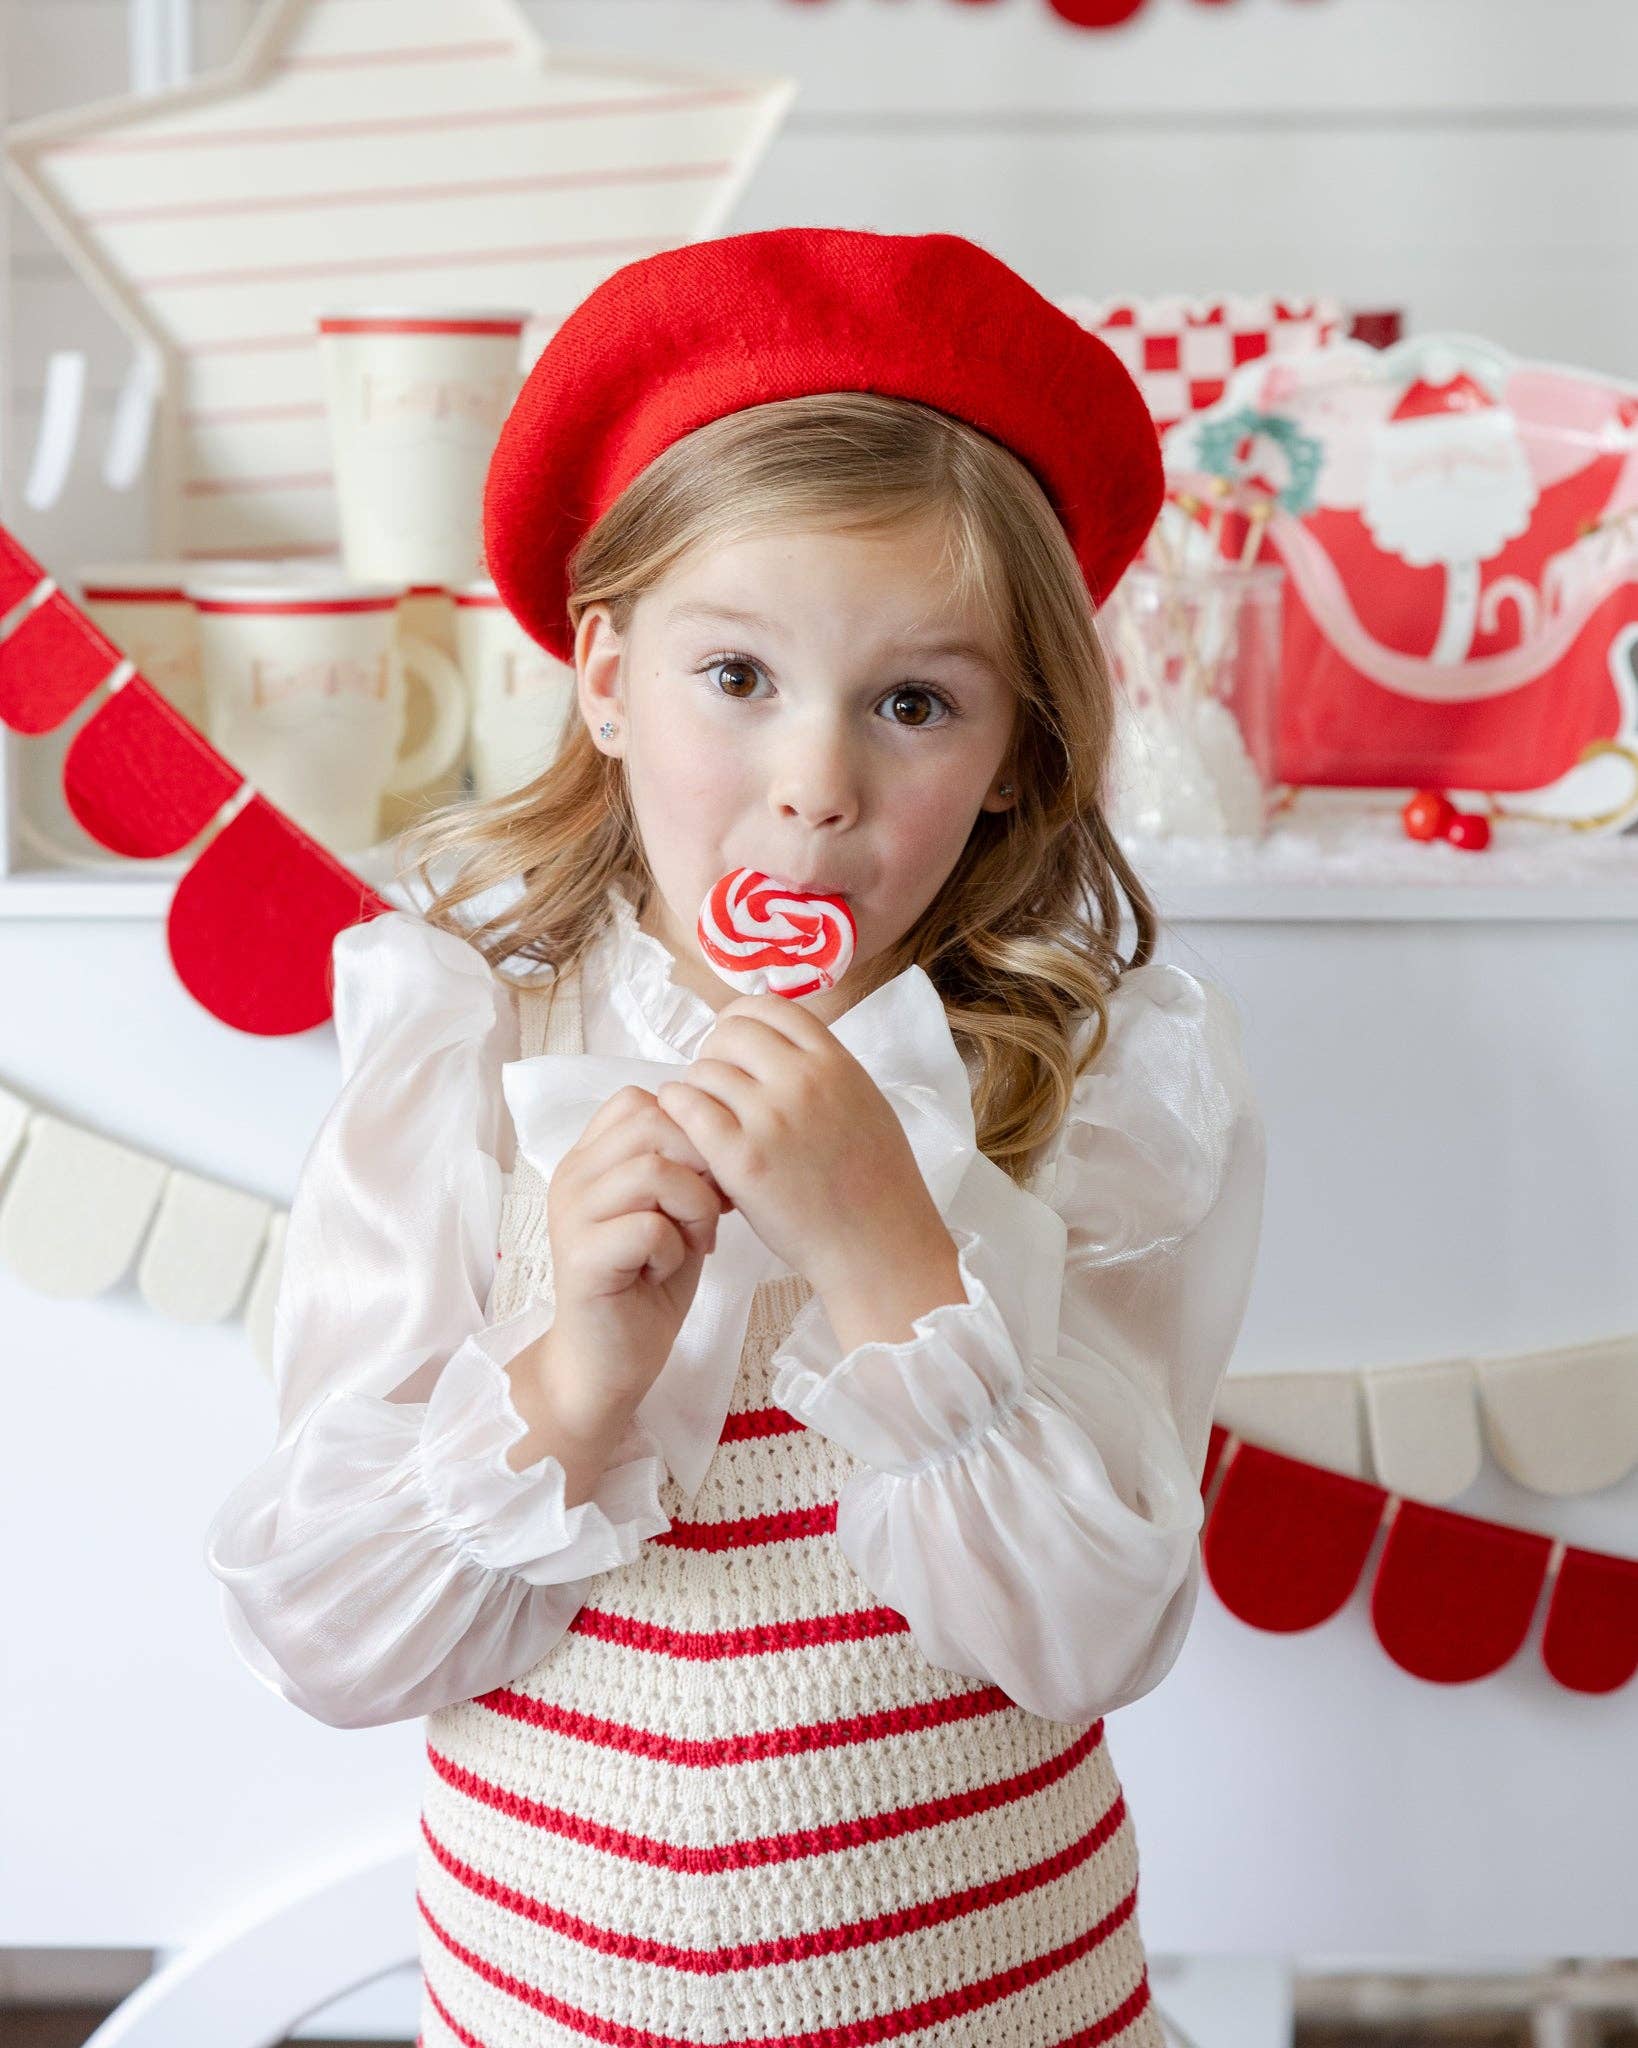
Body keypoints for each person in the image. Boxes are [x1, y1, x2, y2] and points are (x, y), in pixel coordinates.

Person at [205, 227, 1268, 2047]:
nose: (814, 783)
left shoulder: (1088, 1089)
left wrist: (888, 1261)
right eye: (736, 678)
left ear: (1022, 747)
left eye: (913, 703)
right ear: (605, 678)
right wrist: (572, 1376)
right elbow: (328, 1639)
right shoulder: (467, 1051)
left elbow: (1090, 1638)